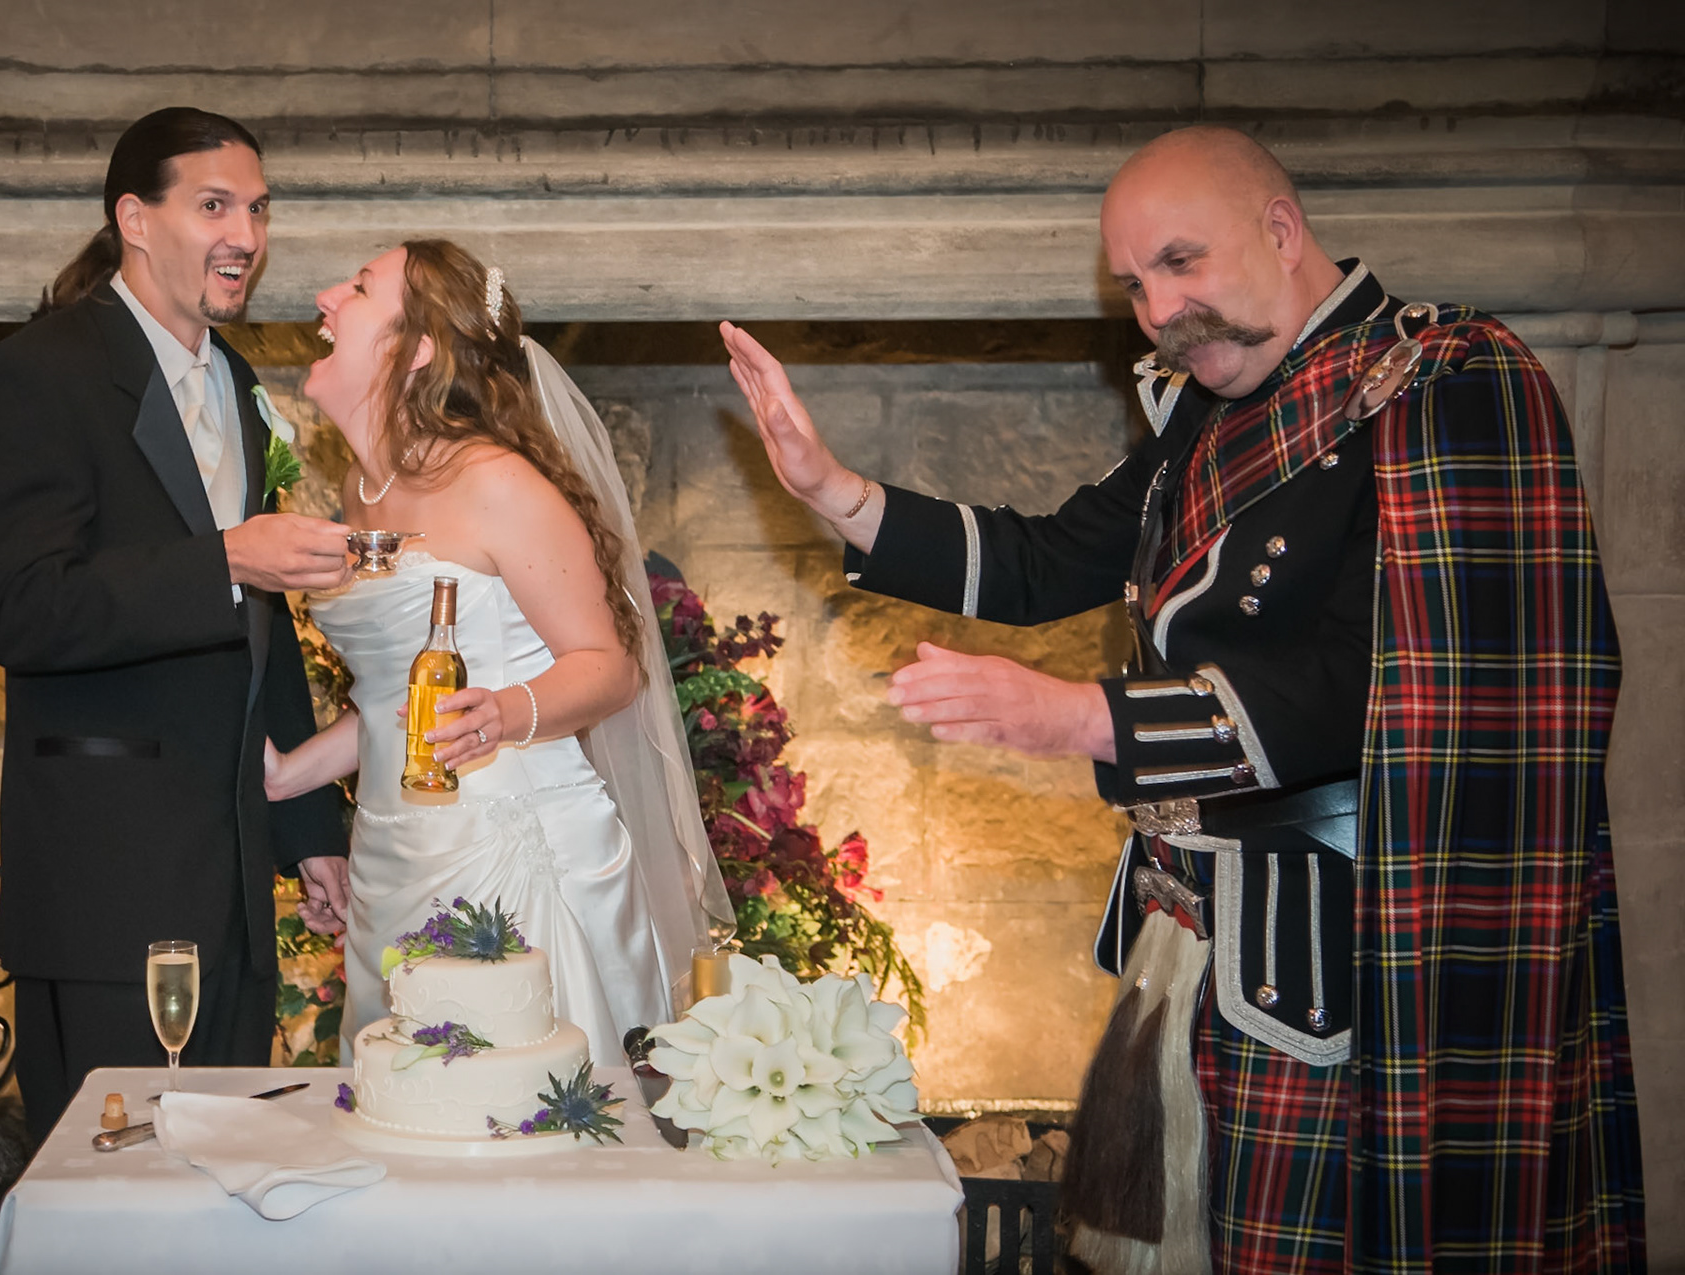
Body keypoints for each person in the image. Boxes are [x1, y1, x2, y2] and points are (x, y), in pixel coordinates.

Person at [723, 125, 1644, 1273]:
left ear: (1281, 228)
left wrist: (1080, 719)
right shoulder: (1208, 414)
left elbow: (1377, 687)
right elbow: (1043, 561)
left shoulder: (1447, 385)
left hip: (1359, 967)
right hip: (1195, 931)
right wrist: (832, 488)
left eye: (1182, 263)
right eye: (1134, 285)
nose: (1160, 310)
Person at [0, 108, 353, 1144]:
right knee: (115, 1201)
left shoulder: (235, 380)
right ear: (134, 217)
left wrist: (310, 833)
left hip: (233, 883)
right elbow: (24, 609)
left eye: (259, 210)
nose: (246, 238)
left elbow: (256, 631)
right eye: (214, 206)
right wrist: (224, 559)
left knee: (220, 1198)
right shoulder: (38, 375)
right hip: (108, 889)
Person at [264, 239, 733, 1066]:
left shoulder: (498, 484)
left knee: (527, 1106)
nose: (326, 297)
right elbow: (394, 700)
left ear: (416, 351)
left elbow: (609, 663)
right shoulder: (358, 490)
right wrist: (287, 775)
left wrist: (508, 713)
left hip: (514, 848)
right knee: (411, 1106)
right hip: (393, 853)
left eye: (361, 287)